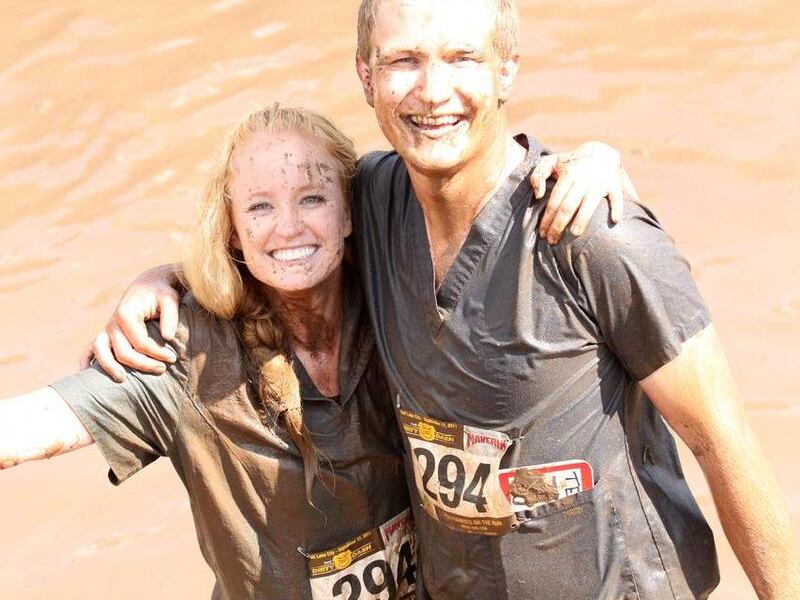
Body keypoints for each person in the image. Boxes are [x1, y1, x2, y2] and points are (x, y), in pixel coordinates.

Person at [96, 1, 800, 599]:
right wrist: (165, 280)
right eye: (404, 61)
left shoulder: (592, 234)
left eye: (462, 58)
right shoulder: (370, 205)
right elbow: (277, 237)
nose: (432, 92)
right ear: (365, 78)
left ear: (507, 70)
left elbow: (722, 441)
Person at [1, 105, 418, 600]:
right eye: (260, 207)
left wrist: (538, 170)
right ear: (233, 231)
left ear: (348, 213)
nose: (288, 227)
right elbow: (33, 425)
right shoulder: (185, 348)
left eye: (311, 198)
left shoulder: (395, 295)